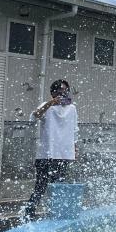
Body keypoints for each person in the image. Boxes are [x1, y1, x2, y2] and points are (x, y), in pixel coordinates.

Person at [23, 79, 78, 220]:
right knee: (40, 186)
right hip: (46, 154)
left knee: (58, 185)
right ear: (53, 93)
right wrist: (50, 103)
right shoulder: (47, 106)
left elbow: (75, 129)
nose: (63, 94)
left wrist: (74, 147)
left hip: (63, 155)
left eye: (66, 91)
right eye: (60, 91)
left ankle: (55, 214)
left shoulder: (72, 108)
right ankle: (28, 214)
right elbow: (33, 118)